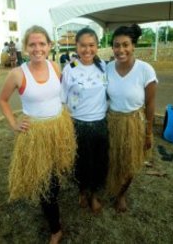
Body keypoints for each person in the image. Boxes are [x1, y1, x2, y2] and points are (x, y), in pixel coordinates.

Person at [0, 25, 76, 244]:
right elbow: (2, 100)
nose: (37, 48)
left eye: (42, 43)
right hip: (35, 136)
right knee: (46, 184)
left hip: (59, 130)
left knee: (57, 174)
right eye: (32, 44)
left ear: (49, 46)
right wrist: (14, 124)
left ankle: (53, 209)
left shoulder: (54, 66)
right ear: (25, 47)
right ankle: (55, 229)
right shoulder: (17, 74)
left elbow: (59, 93)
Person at [106, 23, 158, 212]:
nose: (121, 50)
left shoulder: (145, 70)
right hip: (111, 121)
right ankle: (111, 184)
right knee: (113, 158)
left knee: (129, 162)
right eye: (116, 45)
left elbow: (151, 105)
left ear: (133, 45)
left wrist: (149, 133)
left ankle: (121, 194)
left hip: (134, 123)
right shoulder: (108, 68)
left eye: (125, 44)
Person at [61, 27, 109, 214]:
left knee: (99, 161)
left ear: (97, 46)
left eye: (91, 45)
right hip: (78, 124)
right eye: (83, 45)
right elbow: (63, 97)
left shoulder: (103, 67)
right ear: (76, 46)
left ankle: (94, 194)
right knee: (81, 162)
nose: (87, 50)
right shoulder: (70, 68)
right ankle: (82, 190)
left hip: (100, 124)